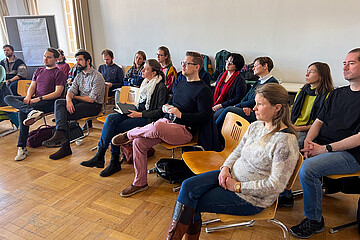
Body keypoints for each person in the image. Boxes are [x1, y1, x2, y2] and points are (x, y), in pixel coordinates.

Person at [165, 83, 299, 240]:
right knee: (188, 186)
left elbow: (275, 186)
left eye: (260, 104)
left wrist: (237, 186)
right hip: (231, 176)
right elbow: (237, 150)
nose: (254, 108)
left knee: (192, 202)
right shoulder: (256, 126)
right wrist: (225, 168)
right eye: (255, 103)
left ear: (277, 108)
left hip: (251, 198)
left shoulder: (285, 142)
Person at [111, 51, 212, 197]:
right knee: (139, 143)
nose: (182, 66)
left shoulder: (203, 90)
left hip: (185, 131)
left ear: (197, 67)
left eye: (186, 63)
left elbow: (205, 116)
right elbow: (173, 102)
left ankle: (128, 134)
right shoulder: (182, 82)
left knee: (157, 126)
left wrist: (181, 115)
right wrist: (166, 106)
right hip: (168, 123)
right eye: (183, 63)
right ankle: (140, 183)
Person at [290, 48, 360, 239]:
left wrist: (324, 149)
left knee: (308, 169)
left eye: (351, 63)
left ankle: (314, 220)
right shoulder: (338, 94)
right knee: (285, 147)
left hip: (351, 154)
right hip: (322, 145)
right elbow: (319, 121)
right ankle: (281, 196)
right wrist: (310, 142)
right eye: (344, 63)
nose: (345, 66)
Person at [80, 59, 168, 177]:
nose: (142, 70)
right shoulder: (146, 83)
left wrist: (140, 114)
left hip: (147, 118)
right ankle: (100, 154)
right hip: (137, 112)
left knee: (116, 128)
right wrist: (127, 108)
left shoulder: (161, 87)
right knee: (111, 118)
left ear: (154, 73)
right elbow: (139, 105)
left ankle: (114, 161)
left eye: (146, 69)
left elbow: (159, 113)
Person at [278, 62, 335, 208]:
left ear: (321, 75)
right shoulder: (303, 90)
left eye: (311, 72)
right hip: (296, 127)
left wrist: (297, 128)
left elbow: (322, 123)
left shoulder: (329, 96)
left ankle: (285, 194)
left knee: (287, 148)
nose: (306, 74)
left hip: (313, 132)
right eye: (307, 71)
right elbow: (292, 110)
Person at [4, 47, 66, 161]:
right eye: (44, 56)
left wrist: (39, 99)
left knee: (21, 112)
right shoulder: (39, 70)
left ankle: (21, 147)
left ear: (56, 59)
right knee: (8, 98)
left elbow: (57, 93)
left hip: (48, 102)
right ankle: (31, 111)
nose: (45, 59)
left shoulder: (59, 73)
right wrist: (28, 97)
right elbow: (32, 86)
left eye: (49, 57)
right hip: (34, 100)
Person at [42, 50, 105, 160]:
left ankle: (64, 145)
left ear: (88, 61)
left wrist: (73, 98)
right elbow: (71, 90)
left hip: (94, 106)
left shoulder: (97, 76)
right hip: (81, 102)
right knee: (59, 102)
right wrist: (69, 100)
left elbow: (91, 99)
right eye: (76, 60)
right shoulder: (79, 75)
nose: (77, 63)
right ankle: (60, 134)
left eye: (80, 60)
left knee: (63, 114)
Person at [215, 57, 278, 130]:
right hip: (249, 109)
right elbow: (245, 97)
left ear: (265, 66)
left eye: (256, 66)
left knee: (228, 109)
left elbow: (257, 101)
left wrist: (239, 105)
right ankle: (211, 132)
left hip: (258, 114)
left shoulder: (272, 83)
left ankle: (212, 133)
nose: (253, 69)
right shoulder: (258, 82)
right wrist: (244, 106)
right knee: (223, 110)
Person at [212, 53, 247, 119]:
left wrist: (221, 105)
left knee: (213, 117)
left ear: (237, 66)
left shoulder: (240, 80)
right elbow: (215, 91)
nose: (228, 64)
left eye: (231, 62)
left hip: (228, 107)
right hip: (217, 103)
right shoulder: (221, 75)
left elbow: (237, 99)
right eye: (227, 61)